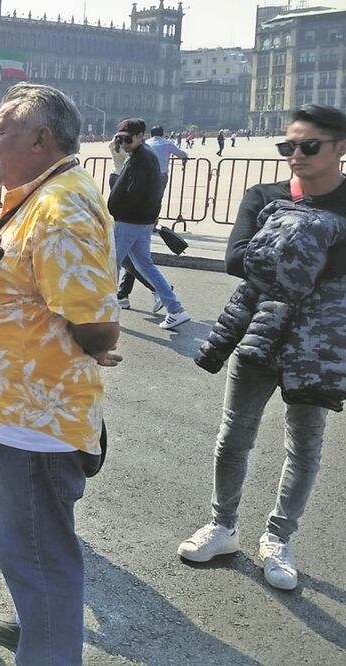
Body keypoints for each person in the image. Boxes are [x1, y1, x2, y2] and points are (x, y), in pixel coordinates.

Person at [0, 82, 120, 665]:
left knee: (38, 557)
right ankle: (41, 629)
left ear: (40, 138)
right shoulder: (37, 196)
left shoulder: (60, 208)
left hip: (34, 421)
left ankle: (49, 648)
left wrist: (83, 345)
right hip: (15, 409)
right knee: (28, 553)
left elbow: (96, 325)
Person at [177, 104, 346, 591]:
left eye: (308, 146)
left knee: (305, 442)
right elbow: (235, 259)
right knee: (234, 435)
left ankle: (278, 538)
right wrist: (314, 248)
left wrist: (282, 246)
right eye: (287, 146)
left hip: (320, 345)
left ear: (340, 148)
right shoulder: (264, 194)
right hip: (259, 332)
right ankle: (223, 526)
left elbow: (259, 259)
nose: (295, 155)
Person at [110, 118, 190, 330]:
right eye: (120, 139)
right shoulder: (143, 156)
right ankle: (175, 308)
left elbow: (130, 193)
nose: (124, 144)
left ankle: (106, 314)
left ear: (140, 136)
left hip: (129, 220)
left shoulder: (141, 160)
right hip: (141, 220)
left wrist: (115, 210)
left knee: (112, 263)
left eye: (127, 139)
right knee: (144, 263)